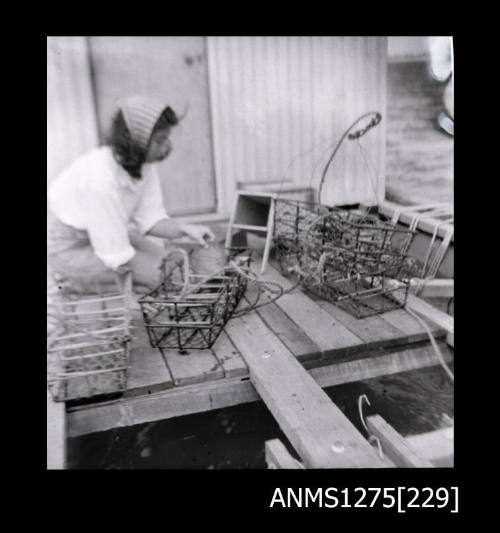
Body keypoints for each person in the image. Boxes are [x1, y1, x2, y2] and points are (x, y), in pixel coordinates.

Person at [47, 94, 215, 295]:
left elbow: (151, 220)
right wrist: (155, 273)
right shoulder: (100, 178)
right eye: (160, 140)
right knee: (169, 278)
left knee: (174, 263)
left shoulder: (142, 164)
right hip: (69, 247)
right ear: (136, 140)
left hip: (104, 236)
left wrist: (186, 228)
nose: (166, 147)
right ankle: (71, 281)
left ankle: (111, 282)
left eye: (167, 138)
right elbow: (114, 255)